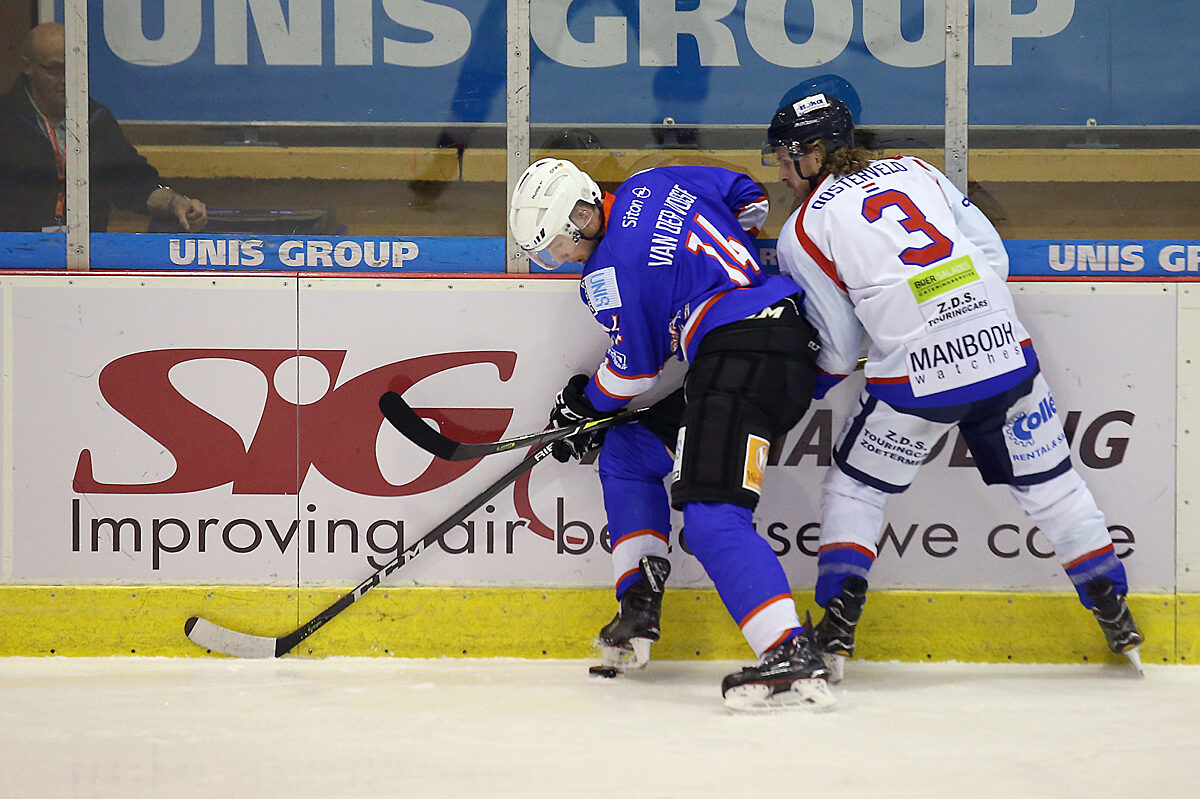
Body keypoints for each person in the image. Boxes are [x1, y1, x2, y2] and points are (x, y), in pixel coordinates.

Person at [763, 92, 1144, 681]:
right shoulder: (919, 171)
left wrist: (819, 380)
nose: (780, 172)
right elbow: (992, 256)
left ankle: (836, 625)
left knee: (856, 489)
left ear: (814, 155)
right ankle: (1114, 609)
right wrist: (964, 316)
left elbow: (837, 346)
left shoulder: (803, 229)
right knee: (1053, 486)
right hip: (1002, 353)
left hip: (917, 379)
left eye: (786, 159)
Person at [508, 157, 835, 711]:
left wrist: (581, 408)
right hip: (767, 347)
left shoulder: (606, 273)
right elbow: (750, 198)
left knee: (710, 517)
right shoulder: (656, 180)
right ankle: (637, 600)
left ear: (583, 216)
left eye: (556, 246)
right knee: (629, 453)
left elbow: (635, 370)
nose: (557, 259)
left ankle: (790, 650)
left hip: (741, 358)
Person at [0, 23, 206, 233]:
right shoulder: (5, 120)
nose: (67, 80)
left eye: (74, 68)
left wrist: (176, 203)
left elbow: (134, 182)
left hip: (83, 253)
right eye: (55, 69)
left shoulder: (95, 119)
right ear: (27, 67)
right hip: (13, 254)